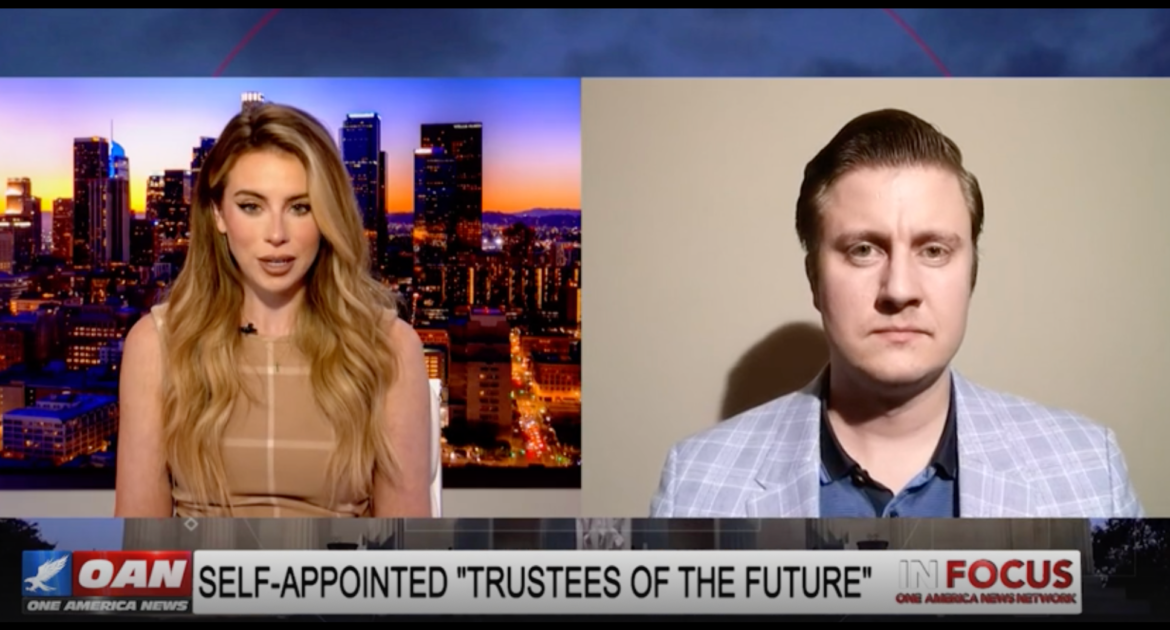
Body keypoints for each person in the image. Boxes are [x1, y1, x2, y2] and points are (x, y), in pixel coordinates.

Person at [650, 108, 1144, 519]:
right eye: (863, 250)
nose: (900, 290)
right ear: (814, 279)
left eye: (934, 250)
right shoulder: (694, 483)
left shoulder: (1089, 470)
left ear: (971, 275)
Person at [115, 103, 433, 518]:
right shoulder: (157, 346)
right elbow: (139, 547)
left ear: (327, 216)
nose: (277, 234)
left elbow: (405, 548)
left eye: (300, 207)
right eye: (252, 206)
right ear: (218, 214)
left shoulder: (389, 348)